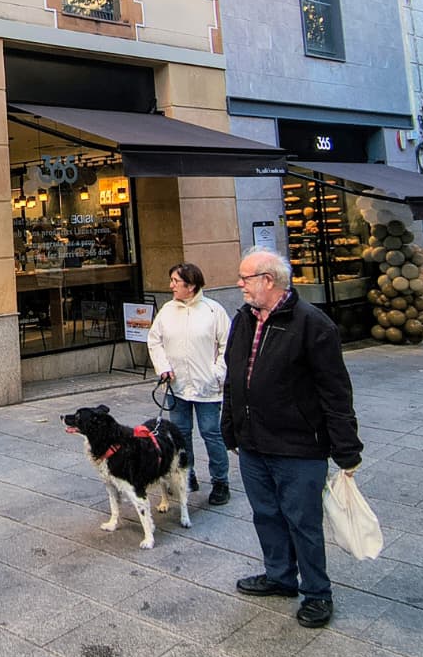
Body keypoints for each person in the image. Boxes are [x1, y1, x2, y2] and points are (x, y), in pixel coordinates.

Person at [221, 246, 361, 629]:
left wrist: (347, 449)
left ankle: (317, 593)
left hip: (299, 446)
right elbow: (235, 377)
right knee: (266, 515)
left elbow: (335, 391)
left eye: (245, 278)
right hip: (253, 443)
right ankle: (280, 576)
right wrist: (230, 427)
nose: (239, 284)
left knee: (303, 522)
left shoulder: (313, 324)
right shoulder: (244, 319)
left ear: (268, 280)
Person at [147, 262, 232, 506]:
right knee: (181, 434)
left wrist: (217, 373)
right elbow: (155, 341)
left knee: (211, 433)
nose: (171, 285)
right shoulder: (167, 311)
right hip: (177, 385)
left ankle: (220, 482)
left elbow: (227, 344)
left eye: (176, 281)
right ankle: (188, 474)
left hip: (207, 386)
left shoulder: (213, 311)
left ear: (191, 285)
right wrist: (163, 367)